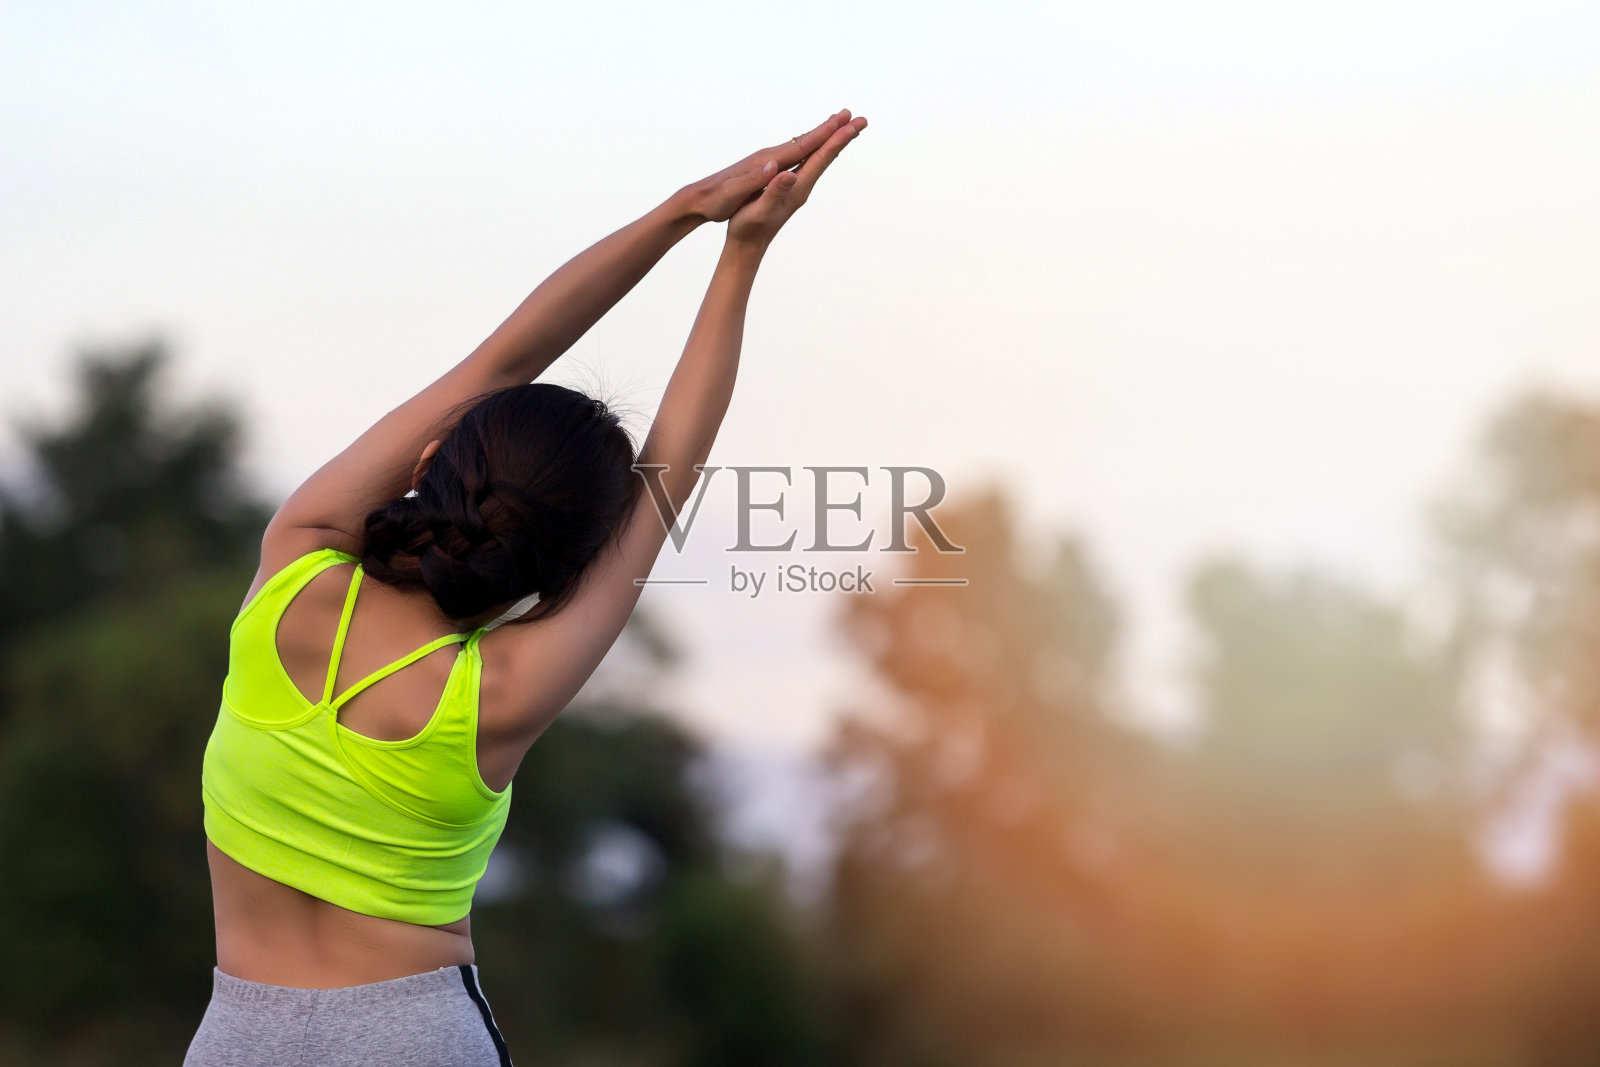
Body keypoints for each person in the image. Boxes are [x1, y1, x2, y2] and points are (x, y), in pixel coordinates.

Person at [183, 107, 868, 1067]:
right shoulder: (499, 693)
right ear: (570, 563)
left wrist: (684, 210)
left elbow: (501, 361)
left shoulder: (294, 562)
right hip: (416, 1038)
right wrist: (741, 256)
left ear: (432, 456)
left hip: (235, 1038)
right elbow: (668, 475)